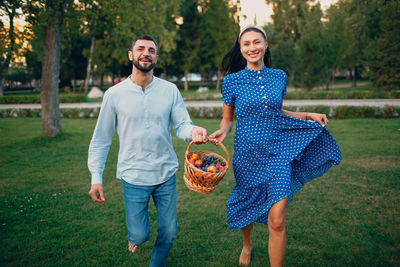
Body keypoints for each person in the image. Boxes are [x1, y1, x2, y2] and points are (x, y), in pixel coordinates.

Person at [209, 25, 342, 267]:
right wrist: (222, 132)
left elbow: (276, 111)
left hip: (279, 152)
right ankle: (247, 244)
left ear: (266, 44)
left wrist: (308, 114)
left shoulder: (279, 76)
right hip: (247, 155)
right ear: (240, 49)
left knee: (277, 219)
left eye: (257, 42)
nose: (252, 47)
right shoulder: (231, 82)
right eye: (246, 43)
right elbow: (228, 120)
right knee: (248, 203)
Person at [87, 34, 208, 267]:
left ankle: (156, 263)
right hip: (133, 176)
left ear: (156, 57)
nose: (146, 53)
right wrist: (96, 177)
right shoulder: (114, 95)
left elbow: (182, 124)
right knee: (140, 235)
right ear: (131, 55)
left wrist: (193, 132)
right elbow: (101, 139)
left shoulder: (170, 90)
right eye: (141, 49)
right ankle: (135, 237)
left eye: (151, 50)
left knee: (169, 232)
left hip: (165, 174)